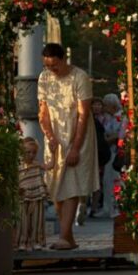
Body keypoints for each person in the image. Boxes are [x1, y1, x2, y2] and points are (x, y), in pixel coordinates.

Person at [37, 42, 99, 250]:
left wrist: (75, 147)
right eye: (47, 66)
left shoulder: (79, 77)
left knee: (71, 185)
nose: (51, 70)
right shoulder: (44, 78)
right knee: (54, 185)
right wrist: (49, 135)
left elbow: (83, 115)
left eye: (54, 66)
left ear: (64, 60)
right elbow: (43, 111)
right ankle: (68, 237)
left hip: (77, 135)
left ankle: (64, 235)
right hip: (55, 136)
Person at [17, 138, 51, 251]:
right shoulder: (18, 166)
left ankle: (36, 241)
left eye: (34, 152)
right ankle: (23, 242)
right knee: (23, 220)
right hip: (23, 196)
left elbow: (50, 166)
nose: (31, 155)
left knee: (37, 220)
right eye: (28, 152)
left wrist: (53, 152)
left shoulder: (37, 165)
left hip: (37, 195)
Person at [101, 93, 127, 217]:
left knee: (115, 180)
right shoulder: (109, 117)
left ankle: (115, 208)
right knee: (107, 181)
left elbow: (119, 134)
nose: (104, 108)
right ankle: (108, 208)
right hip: (109, 152)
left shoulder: (120, 117)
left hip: (116, 152)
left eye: (105, 105)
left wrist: (106, 139)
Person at [88, 98, 110, 218]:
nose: (97, 107)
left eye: (99, 105)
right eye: (94, 105)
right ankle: (83, 204)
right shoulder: (87, 119)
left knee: (98, 182)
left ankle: (94, 208)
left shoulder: (105, 119)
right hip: (89, 154)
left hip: (100, 154)